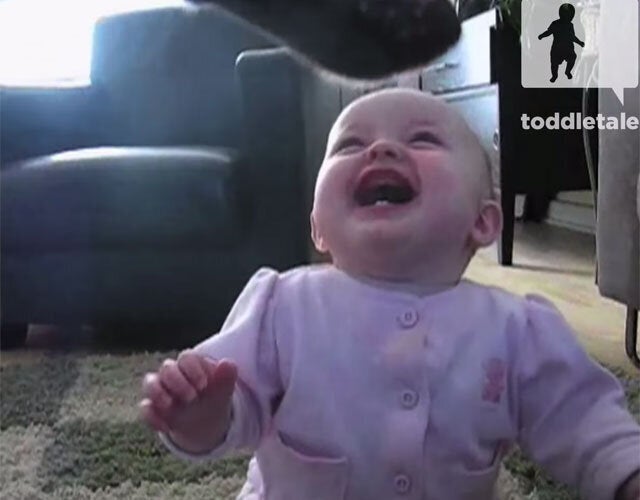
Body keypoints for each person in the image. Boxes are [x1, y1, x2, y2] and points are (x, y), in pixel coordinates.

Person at [139, 88, 640, 500]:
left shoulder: (516, 328)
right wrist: (202, 417)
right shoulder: (282, 304)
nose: (380, 149)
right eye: (349, 145)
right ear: (318, 228)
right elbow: (233, 403)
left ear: (483, 221)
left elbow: (581, 418)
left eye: (422, 139)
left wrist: (625, 473)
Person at [538, 3, 585, 82]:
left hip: (568, 49)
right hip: (557, 49)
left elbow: (572, 37)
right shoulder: (555, 24)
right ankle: (554, 75)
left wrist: (579, 42)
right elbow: (549, 32)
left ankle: (567, 72)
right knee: (554, 64)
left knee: (572, 58)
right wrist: (542, 35)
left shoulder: (570, 25)